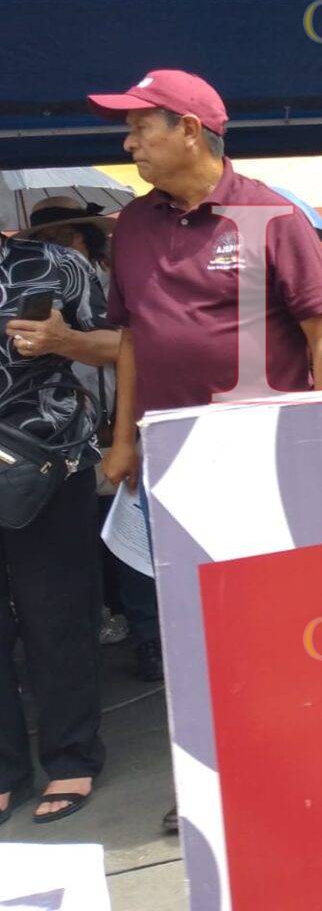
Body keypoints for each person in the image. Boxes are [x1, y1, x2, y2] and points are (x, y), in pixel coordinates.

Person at [87, 69, 322, 836]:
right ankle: (215, 778)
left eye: (141, 126)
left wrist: (307, 441)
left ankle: (295, 771)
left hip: (260, 462)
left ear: (191, 131)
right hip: (170, 463)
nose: (128, 140)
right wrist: (123, 438)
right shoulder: (132, 225)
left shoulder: (271, 215)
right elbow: (134, 338)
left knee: (273, 627)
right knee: (194, 632)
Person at [1, 230, 118, 824]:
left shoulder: (52, 262)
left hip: (45, 458)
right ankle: (4, 769)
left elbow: (118, 343)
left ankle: (71, 755)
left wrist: (62, 339)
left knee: (58, 616)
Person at [17, 201, 140, 655]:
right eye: (47, 236)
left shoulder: (96, 280)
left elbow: (123, 347)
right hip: (63, 435)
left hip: (79, 437)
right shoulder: (38, 278)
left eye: (66, 234)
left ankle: (140, 629)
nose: (58, 244)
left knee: (122, 530)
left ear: (85, 239)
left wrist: (64, 340)